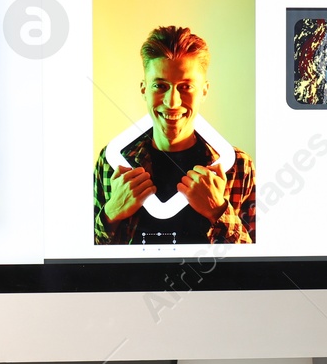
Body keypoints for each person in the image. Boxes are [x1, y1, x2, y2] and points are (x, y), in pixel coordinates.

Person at [94, 25, 256, 245]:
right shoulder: (113, 161)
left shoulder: (238, 167)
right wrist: (110, 214)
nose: (172, 103)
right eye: (160, 86)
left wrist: (219, 211)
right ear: (144, 89)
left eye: (186, 87)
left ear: (204, 91)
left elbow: (257, 270)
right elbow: (80, 264)